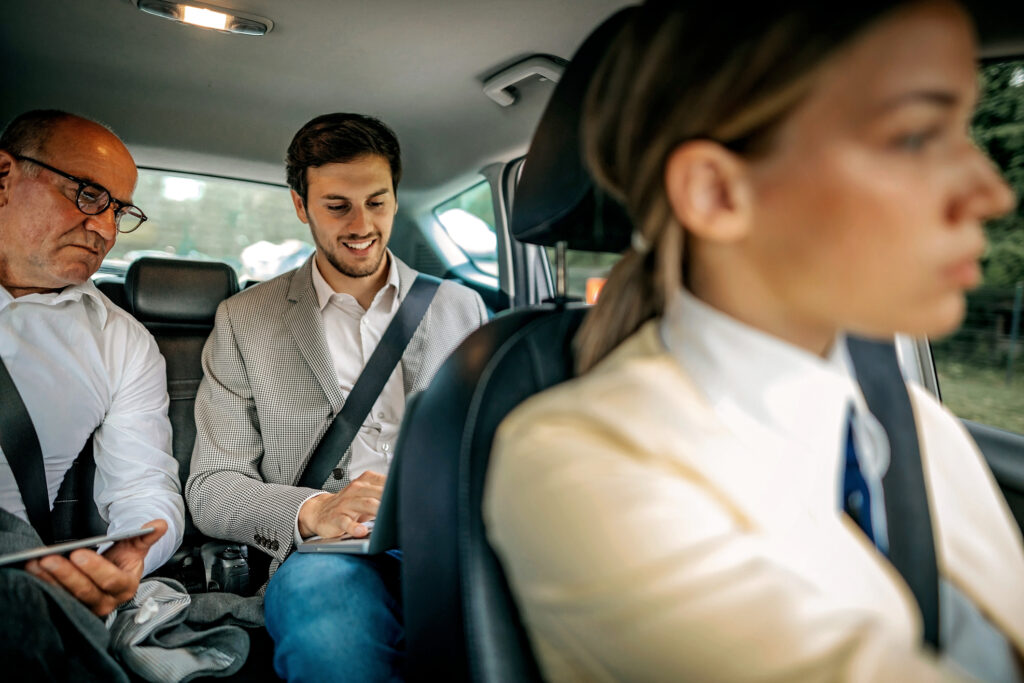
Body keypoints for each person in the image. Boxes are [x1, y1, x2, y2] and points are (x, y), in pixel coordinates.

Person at [484, 2, 1024, 681]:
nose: (990, 192)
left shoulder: (912, 419)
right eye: (916, 136)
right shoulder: (574, 464)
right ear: (714, 192)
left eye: (965, 131)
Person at [187, 112, 488, 681]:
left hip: (452, 543)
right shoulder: (243, 320)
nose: (361, 224)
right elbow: (209, 487)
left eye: (377, 202)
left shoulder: (460, 307)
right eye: (337, 205)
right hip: (327, 559)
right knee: (333, 644)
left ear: (397, 198)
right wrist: (314, 511)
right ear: (301, 205)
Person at [0, 110, 184, 669]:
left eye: (119, 210)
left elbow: (144, 488)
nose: (105, 228)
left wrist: (130, 556)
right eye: (87, 194)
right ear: (4, 176)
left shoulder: (121, 341)